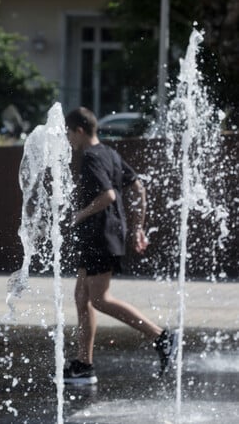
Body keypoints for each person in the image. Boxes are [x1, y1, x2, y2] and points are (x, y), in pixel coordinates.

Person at [63, 107, 178, 385]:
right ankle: (83, 364)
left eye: (68, 133)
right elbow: (139, 188)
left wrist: (78, 215)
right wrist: (137, 226)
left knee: (100, 299)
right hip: (100, 235)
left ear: (78, 130)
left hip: (101, 235)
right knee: (82, 295)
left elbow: (108, 195)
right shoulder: (110, 153)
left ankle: (161, 337)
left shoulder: (90, 156)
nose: (67, 139)